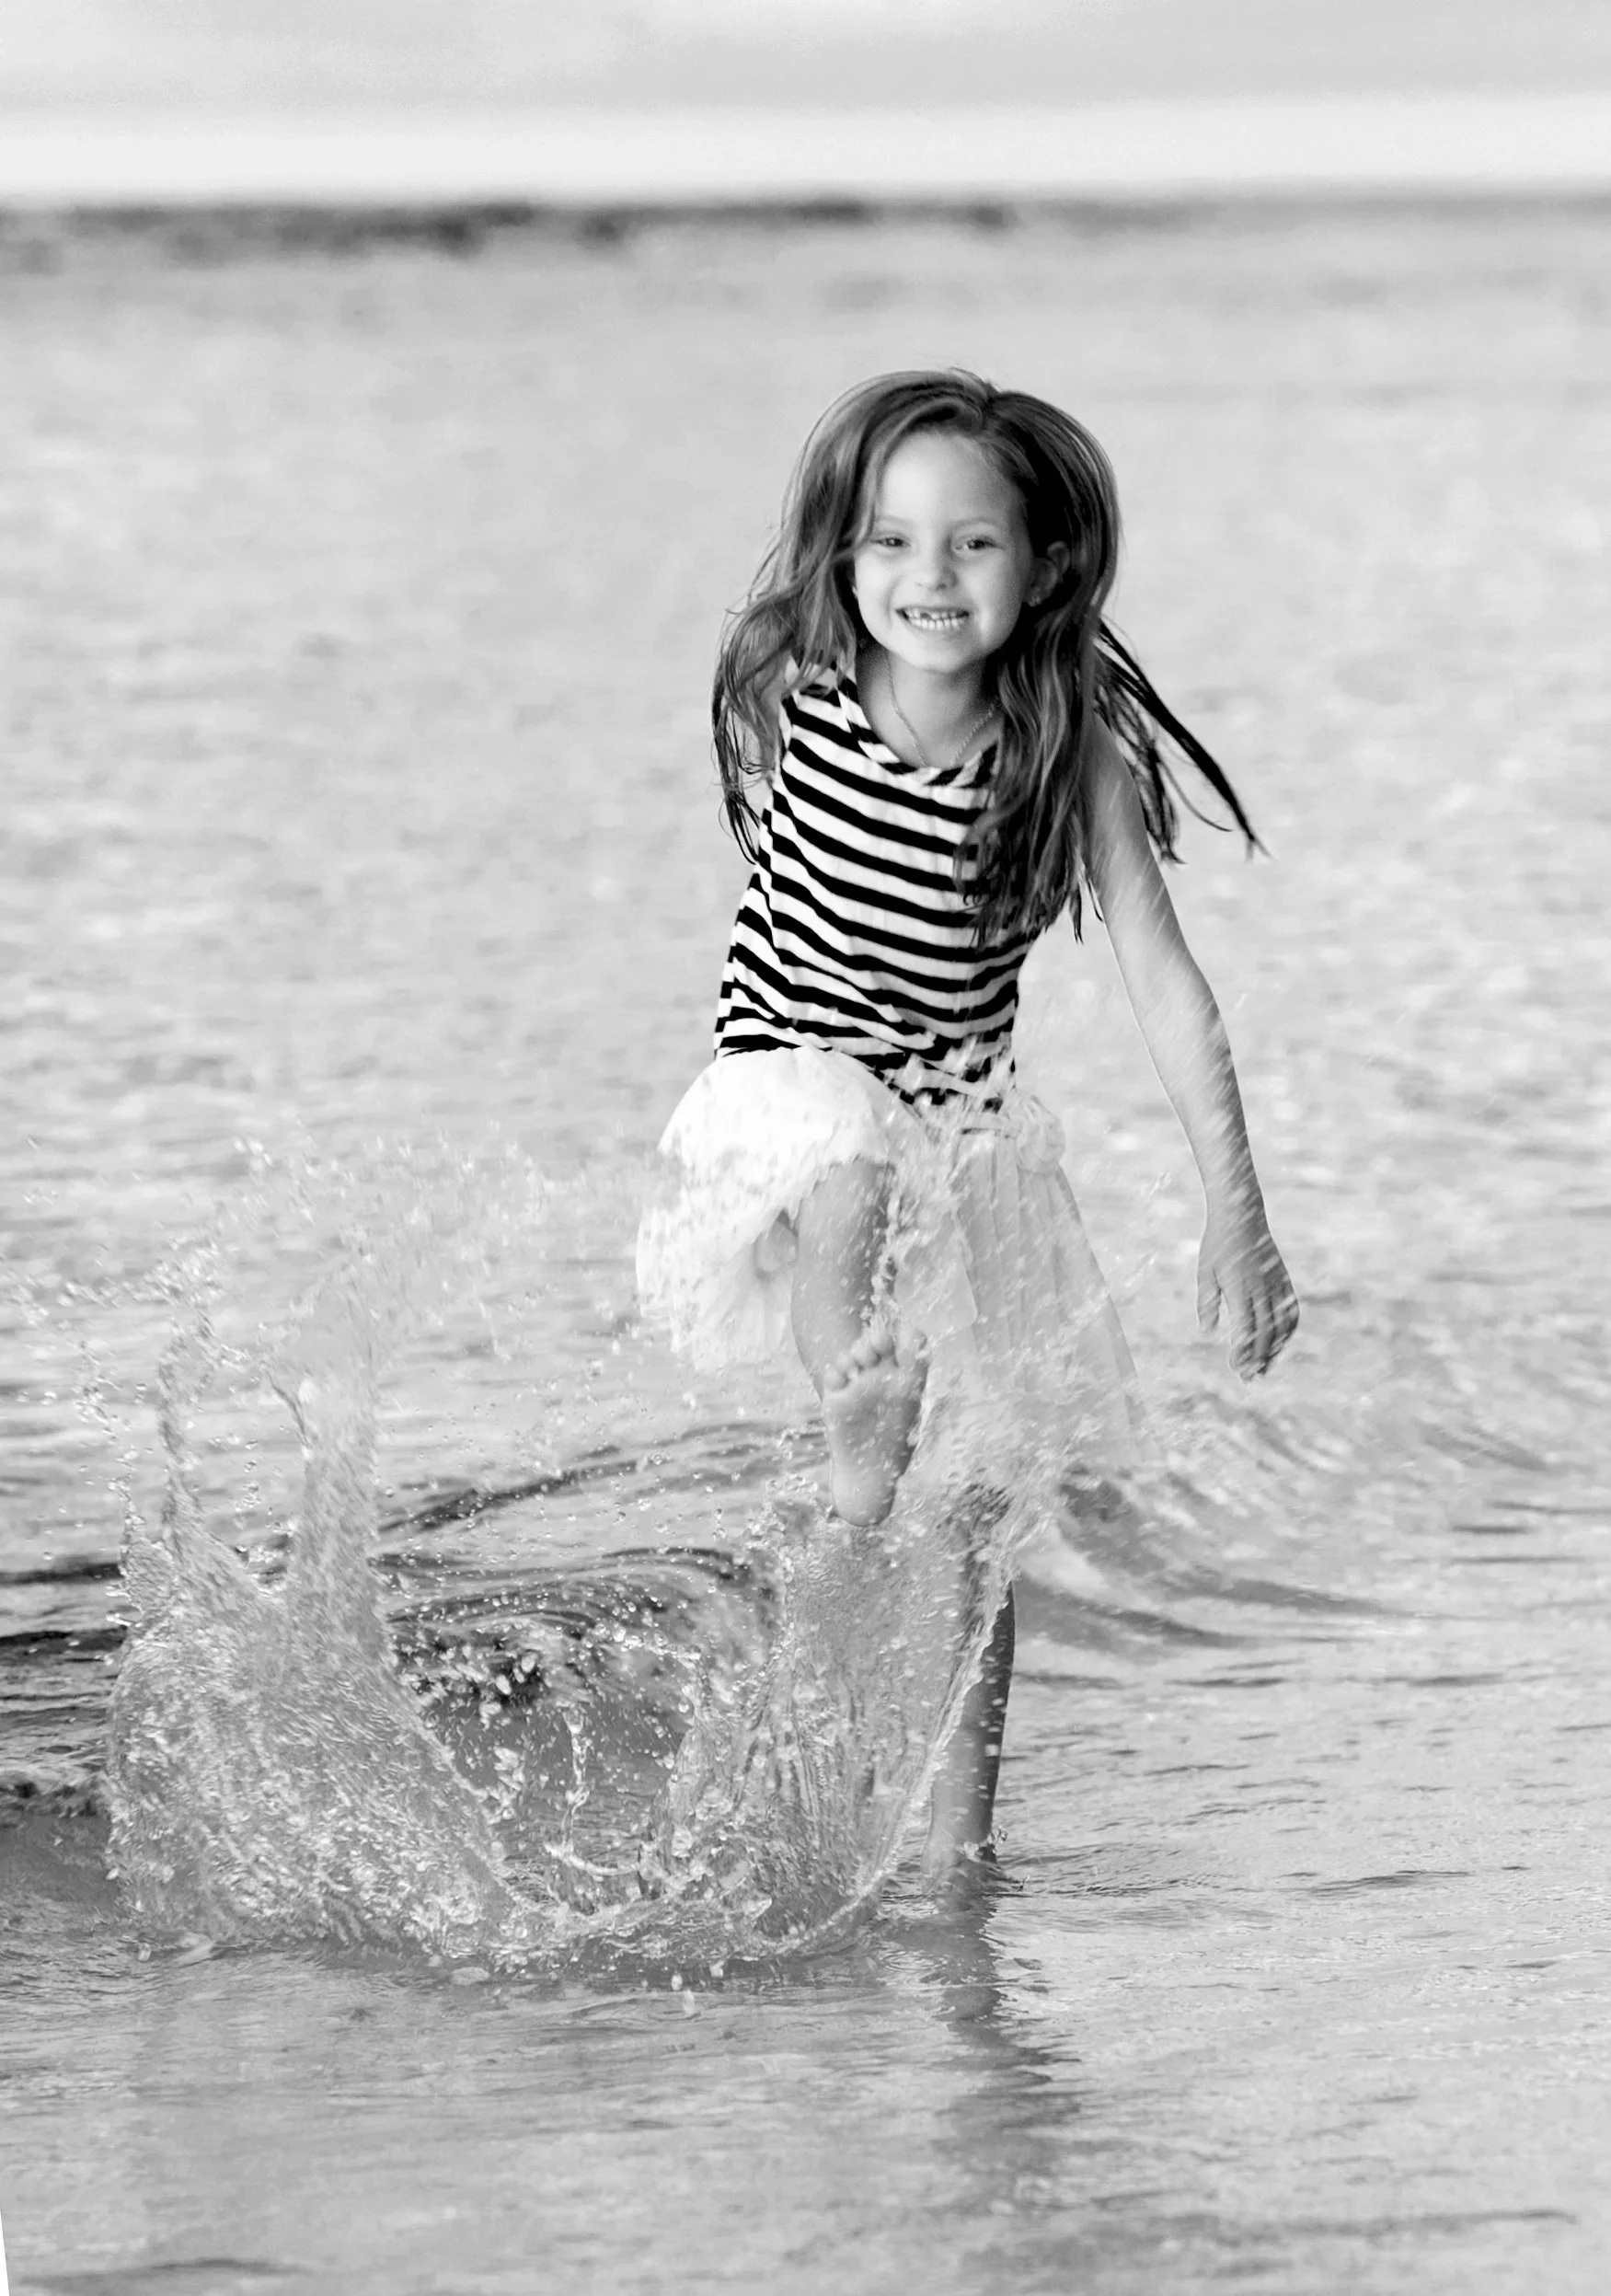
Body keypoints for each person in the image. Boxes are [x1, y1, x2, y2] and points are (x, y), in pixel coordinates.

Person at [638, 370, 1298, 1869]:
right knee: (846, 1176)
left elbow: (1172, 995)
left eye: (971, 545)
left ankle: (955, 1848)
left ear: (1047, 562)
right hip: (787, 1062)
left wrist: (1236, 1220)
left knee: (982, 1500)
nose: (924, 579)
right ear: (840, 559)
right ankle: (852, 1426)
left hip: (964, 1115)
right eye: (888, 542)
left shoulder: (1065, 762)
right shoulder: (798, 682)